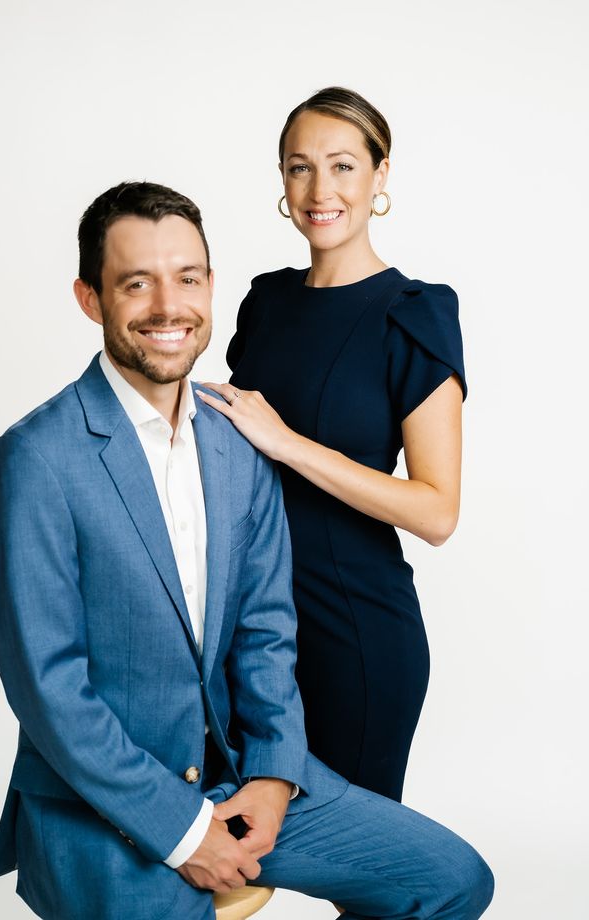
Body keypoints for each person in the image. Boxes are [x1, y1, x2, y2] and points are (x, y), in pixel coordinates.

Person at [0, 180, 492, 920]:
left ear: (211, 287)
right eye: (135, 282)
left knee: (450, 879)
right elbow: (49, 688)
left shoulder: (237, 444)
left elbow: (265, 638)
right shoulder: (36, 458)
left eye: (187, 278)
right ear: (90, 298)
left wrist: (276, 775)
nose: (167, 305)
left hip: (237, 778)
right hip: (102, 801)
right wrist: (186, 834)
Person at [199, 87, 466, 803]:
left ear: (381, 177)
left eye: (344, 166)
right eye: (300, 167)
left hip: (354, 634)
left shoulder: (414, 314)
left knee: (365, 878)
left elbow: (438, 512)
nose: (321, 190)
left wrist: (289, 444)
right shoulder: (266, 301)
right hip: (249, 634)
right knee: (222, 853)